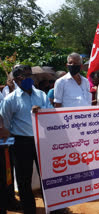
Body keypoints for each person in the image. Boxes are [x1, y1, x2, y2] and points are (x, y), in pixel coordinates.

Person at [0, 65, 53, 214]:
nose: (29, 78)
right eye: (24, 76)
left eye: (30, 75)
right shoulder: (10, 100)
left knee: (47, 177)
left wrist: (41, 111)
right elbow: (6, 123)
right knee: (24, 181)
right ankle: (29, 210)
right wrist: (9, 143)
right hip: (21, 143)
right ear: (16, 80)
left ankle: (53, 209)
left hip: (41, 140)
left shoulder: (41, 95)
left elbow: (51, 115)